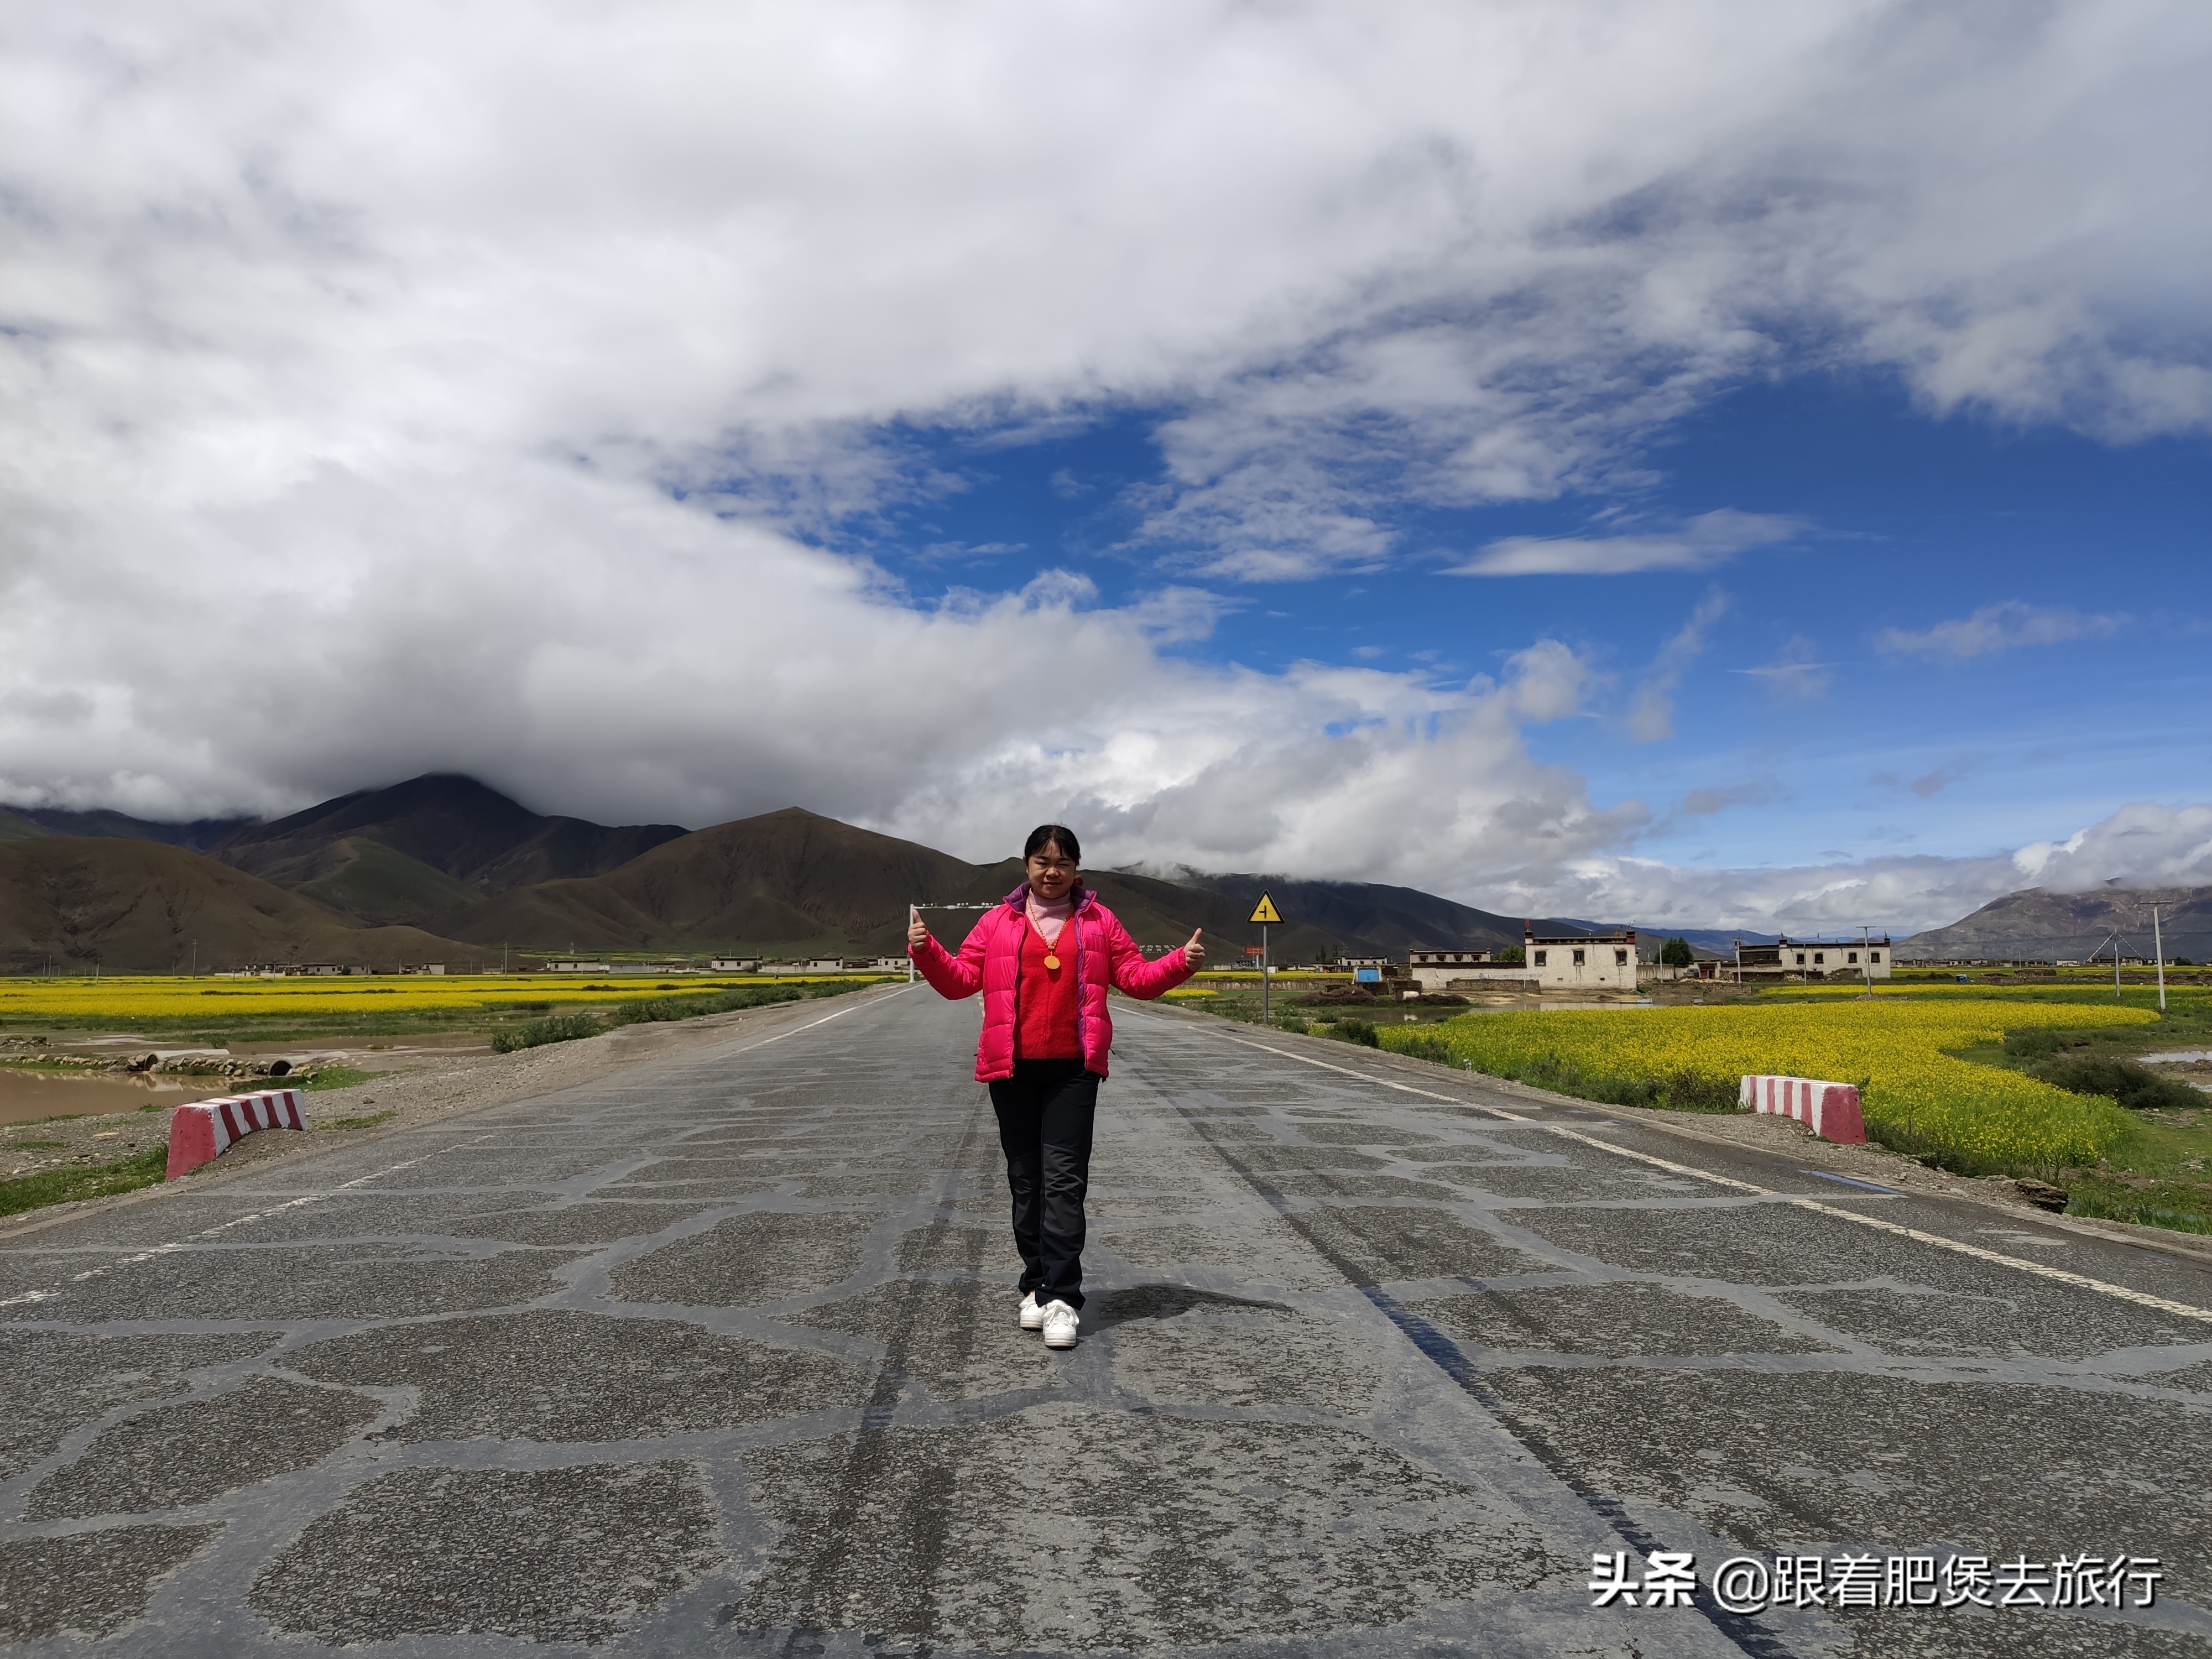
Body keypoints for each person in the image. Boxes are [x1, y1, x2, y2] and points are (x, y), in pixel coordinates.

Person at [907, 824, 1204, 1349]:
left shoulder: (1098, 921)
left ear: (1076, 870)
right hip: (1012, 1067)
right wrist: (927, 950)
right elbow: (958, 982)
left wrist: (1180, 963)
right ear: (1025, 867)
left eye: (1062, 863)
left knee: (1064, 1182)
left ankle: (1063, 1297)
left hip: (1074, 1068)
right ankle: (1035, 1285)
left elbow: (1134, 978)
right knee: (1026, 1182)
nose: (1051, 872)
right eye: (1042, 862)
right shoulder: (997, 922)